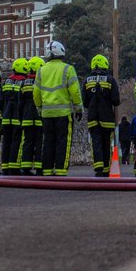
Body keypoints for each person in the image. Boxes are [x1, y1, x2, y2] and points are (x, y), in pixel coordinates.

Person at [33, 41, 82, 177]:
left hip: (46, 114)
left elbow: (36, 92)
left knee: (48, 141)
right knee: (63, 141)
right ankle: (60, 170)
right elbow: (75, 91)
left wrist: (39, 107)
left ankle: (47, 170)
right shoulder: (68, 69)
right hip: (63, 113)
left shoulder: (41, 70)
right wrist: (78, 108)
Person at [83, 54, 120, 177]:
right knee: (106, 142)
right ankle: (105, 168)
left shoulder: (87, 81)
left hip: (93, 116)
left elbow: (85, 102)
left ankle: (98, 166)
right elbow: (116, 100)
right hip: (107, 117)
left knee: (96, 141)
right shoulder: (110, 80)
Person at [0, 58, 28, 175]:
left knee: (6, 141)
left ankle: (5, 167)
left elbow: (1, 100)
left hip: (6, 117)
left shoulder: (6, 82)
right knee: (17, 141)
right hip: (17, 117)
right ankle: (14, 167)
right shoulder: (24, 82)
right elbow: (22, 101)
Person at [20, 56, 46, 174]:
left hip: (27, 117)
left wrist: (21, 117)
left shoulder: (23, 82)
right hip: (40, 117)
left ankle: (25, 167)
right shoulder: (42, 81)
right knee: (40, 142)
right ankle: (40, 168)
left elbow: (20, 102)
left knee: (28, 142)